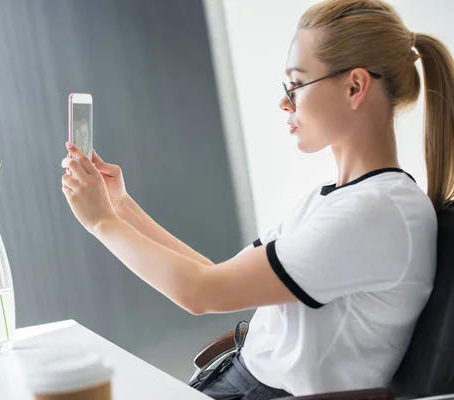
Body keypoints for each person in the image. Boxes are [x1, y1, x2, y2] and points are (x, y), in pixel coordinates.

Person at [60, 0, 454, 398]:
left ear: (355, 86)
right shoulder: (338, 200)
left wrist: (102, 224)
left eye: (296, 84)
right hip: (238, 381)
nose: (285, 102)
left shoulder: (377, 212)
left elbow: (201, 294)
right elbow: (214, 276)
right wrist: (121, 208)